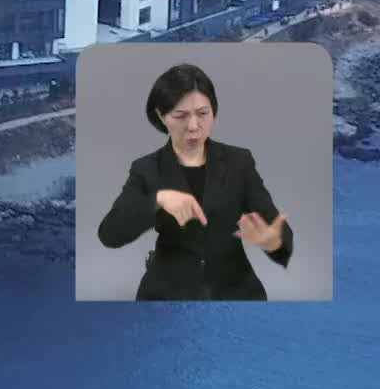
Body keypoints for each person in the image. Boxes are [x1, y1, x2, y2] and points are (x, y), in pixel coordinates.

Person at [96, 63, 294, 300]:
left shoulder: (238, 162)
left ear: (214, 112)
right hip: (167, 295)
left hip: (236, 293)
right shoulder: (146, 169)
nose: (193, 127)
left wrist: (274, 242)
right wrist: (157, 200)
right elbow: (110, 234)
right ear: (162, 116)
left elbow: (277, 227)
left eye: (203, 114)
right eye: (180, 116)